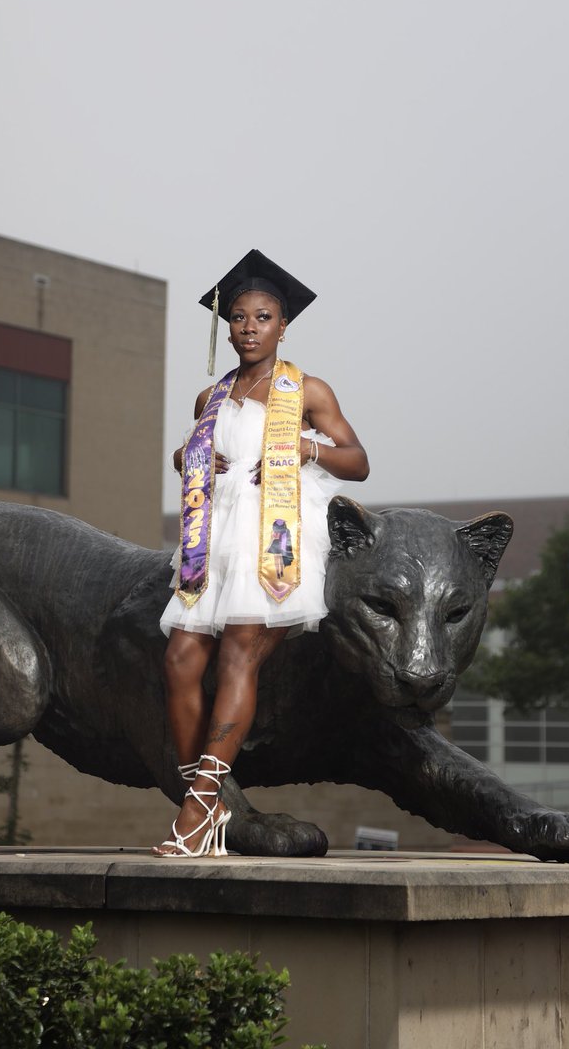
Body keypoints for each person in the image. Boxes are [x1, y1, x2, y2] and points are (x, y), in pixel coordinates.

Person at [154, 250, 369, 857]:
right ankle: (207, 800)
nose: (250, 327)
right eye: (241, 318)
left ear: (283, 325)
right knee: (179, 661)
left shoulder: (305, 390)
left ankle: (198, 814)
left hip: (273, 537)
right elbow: (188, 455)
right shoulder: (210, 398)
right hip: (214, 538)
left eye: (264, 316)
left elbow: (358, 461)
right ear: (229, 328)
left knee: (237, 662)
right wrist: (191, 459)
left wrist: (308, 448)